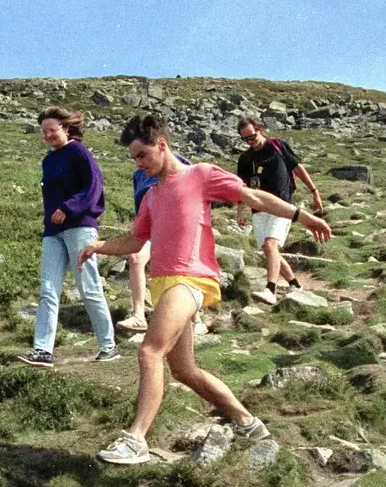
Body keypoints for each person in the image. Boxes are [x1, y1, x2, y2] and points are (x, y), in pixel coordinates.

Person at [79, 114, 333, 465]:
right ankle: (248, 422)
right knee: (184, 370)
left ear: (162, 145)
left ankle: (135, 439)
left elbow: (253, 196)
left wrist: (301, 216)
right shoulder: (152, 196)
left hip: (192, 279)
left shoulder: (199, 174)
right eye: (133, 158)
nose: (138, 163)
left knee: (149, 351)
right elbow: (136, 240)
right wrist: (99, 245)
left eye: (141, 155)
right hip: (165, 282)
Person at [15, 107, 118, 367]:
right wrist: (53, 216)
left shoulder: (79, 152)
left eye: (52, 129)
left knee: (89, 287)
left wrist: (69, 207)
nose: (48, 135)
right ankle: (42, 350)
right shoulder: (48, 161)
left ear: (66, 128)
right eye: (44, 131)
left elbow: (94, 186)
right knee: (48, 290)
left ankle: (108, 346)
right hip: (53, 232)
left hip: (80, 227)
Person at [234, 116, 324, 305]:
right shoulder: (245, 158)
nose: (250, 142)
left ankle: (270, 289)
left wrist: (314, 192)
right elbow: (241, 187)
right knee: (270, 251)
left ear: (260, 129)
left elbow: (298, 169)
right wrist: (240, 211)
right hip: (258, 209)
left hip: (283, 206)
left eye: (252, 136)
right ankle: (295, 285)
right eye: (245, 139)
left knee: (270, 245)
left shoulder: (277, 146)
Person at [118, 154, 193, 332]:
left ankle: (196, 320)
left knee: (180, 269)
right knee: (136, 258)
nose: (139, 160)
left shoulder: (180, 162)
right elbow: (140, 206)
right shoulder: (138, 174)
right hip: (151, 229)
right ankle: (138, 314)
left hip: (177, 228)